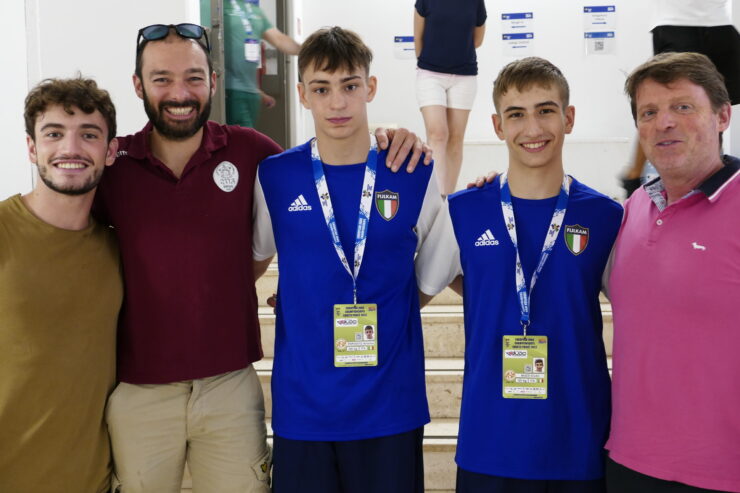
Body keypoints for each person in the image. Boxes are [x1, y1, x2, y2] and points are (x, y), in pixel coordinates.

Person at [94, 23, 430, 493]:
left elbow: (328, 167)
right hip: (141, 387)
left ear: (213, 81)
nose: (180, 93)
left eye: (193, 77)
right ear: (138, 84)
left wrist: (389, 135)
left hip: (229, 386)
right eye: (162, 78)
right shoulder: (114, 167)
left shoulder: (251, 153)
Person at [252, 26, 446, 492]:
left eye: (349, 86)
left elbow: (430, 276)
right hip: (304, 408)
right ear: (302, 94)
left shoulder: (412, 170)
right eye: (321, 89)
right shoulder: (275, 176)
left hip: (390, 405)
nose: (337, 103)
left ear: (370, 88)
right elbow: (254, 258)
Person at [417, 57, 622, 492]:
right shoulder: (463, 212)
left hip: (578, 443)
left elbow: (642, 311)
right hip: (489, 443)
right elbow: (417, 290)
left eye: (545, 110)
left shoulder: (605, 216)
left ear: (568, 118)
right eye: (516, 114)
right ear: (497, 126)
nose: (532, 128)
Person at [605, 51, 740, 492]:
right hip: (628, 463)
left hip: (723, 473)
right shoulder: (632, 210)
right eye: (649, 112)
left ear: (722, 116)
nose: (664, 122)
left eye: (683, 106)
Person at [0, 77, 122, 492]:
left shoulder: (117, 249)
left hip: (90, 481)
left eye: (88, 134)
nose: (71, 148)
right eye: (54, 134)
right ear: (32, 148)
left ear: (110, 151)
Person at [620, 0, 739, 197]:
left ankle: (716, 183)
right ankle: (633, 178)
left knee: (714, 110)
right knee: (663, 105)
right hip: (677, 24)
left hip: (720, 25)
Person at [414, 0, 486, 196]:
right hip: (430, 74)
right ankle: (435, 199)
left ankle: (447, 198)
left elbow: (477, 40)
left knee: (455, 138)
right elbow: (418, 37)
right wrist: (431, 62)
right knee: (437, 133)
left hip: (464, 75)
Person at [224, 0, 301, 127]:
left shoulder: (255, 11)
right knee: (243, 136)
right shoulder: (219, 6)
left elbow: (279, 40)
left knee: (248, 135)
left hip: (252, 92)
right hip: (230, 90)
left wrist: (310, 50)